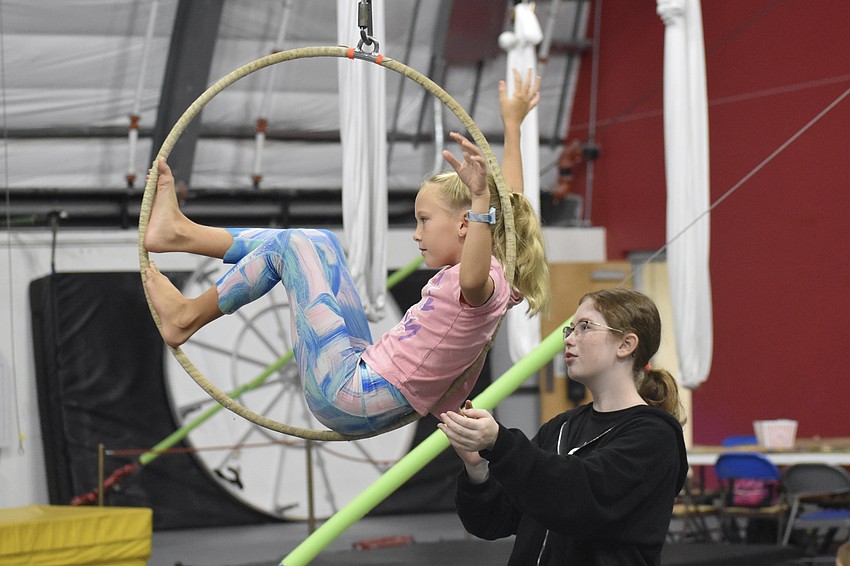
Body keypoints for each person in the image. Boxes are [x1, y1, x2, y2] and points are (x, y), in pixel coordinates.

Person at [142, 70, 550, 436]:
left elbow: (478, 265)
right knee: (321, 242)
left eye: (424, 220)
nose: (416, 234)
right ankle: (181, 233)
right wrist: (512, 126)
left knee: (294, 246)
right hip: (359, 375)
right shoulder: (503, 269)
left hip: (350, 395)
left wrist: (479, 198)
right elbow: (510, 208)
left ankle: (187, 316)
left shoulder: (483, 283)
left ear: (465, 225)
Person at [438, 288, 688, 565]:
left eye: (585, 327)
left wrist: (500, 443)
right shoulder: (561, 427)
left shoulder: (655, 437)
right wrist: (477, 468)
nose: (569, 339)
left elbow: (579, 497)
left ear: (625, 344)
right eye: (570, 329)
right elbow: (494, 520)